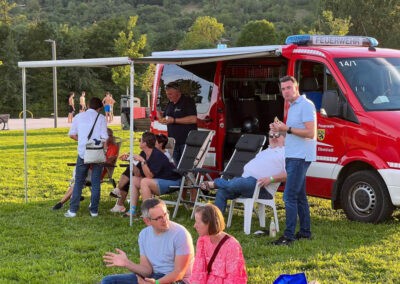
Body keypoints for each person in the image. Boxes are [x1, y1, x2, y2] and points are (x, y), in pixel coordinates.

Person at [269, 75, 317, 245]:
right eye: (283, 89)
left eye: (289, 87)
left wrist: (286, 128)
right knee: (300, 196)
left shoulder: (305, 105)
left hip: (300, 157)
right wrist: (279, 129)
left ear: (296, 87)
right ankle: (305, 232)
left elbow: (310, 133)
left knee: (289, 197)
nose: (286, 92)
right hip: (293, 155)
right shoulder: (292, 106)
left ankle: (288, 236)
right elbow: (293, 132)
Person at [101, 198, 194, 284]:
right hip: (153, 277)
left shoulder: (181, 234)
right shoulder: (144, 235)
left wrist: (156, 283)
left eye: (165, 214)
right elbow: (147, 271)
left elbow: (179, 273)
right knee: (108, 281)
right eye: (158, 218)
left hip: (176, 280)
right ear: (147, 221)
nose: (164, 220)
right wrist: (127, 263)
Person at [200, 130, 286, 214]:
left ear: (284, 138)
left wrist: (270, 179)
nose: (273, 138)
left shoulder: (286, 153)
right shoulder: (266, 151)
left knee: (240, 182)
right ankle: (215, 223)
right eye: (271, 136)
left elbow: (289, 174)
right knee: (222, 191)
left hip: (262, 188)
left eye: (277, 135)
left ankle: (215, 184)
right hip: (246, 183)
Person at [109, 132, 181, 217]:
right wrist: (131, 161)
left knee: (145, 181)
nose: (139, 142)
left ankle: (147, 213)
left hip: (171, 181)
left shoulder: (157, 155)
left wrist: (142, 161)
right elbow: (138, 174)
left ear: (145, 143)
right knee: (134, 179)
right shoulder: (143, 153)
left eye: (140, 140)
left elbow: (149, 176)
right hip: (158, 180)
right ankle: (132, 210)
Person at [52, 128, 118, 210]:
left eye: (109, 136)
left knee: (77, 182)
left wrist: (96, 159)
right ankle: (64, 201)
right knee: (78, 172)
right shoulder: (96, 144)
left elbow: (108, 161)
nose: (106, 137)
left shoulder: (113, 147)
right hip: (87, 167)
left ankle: (63, 201)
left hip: (98, 171)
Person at [64, 97, 108, 218]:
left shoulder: (78, 117)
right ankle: (94, 210)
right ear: (99, 108)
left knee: (78, 181)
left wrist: (82, 140)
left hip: (83, 153)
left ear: (88, 105)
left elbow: (72, 135)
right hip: (97, 153)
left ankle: (73, 210)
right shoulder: (101, 118)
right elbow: (104, 136)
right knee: (95, 183)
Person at [190, 204, 247, 284]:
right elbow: (198, 271)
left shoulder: (232, 245)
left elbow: (234, 279)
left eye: (198, 222)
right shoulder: (202, 240)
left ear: (209, 223)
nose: (194, 226)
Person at [158, 81, 197, 164]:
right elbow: (165, 118)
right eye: (167, 94)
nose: (168, 96)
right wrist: (161, 119)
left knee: (186, 167)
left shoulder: (187, 101)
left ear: (178, 92)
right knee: (174, 166)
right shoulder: (170, 103)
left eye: (171, 94)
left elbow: (193, 119)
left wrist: (174, 120)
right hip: (172, 142)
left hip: (186, 142)